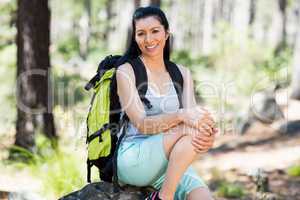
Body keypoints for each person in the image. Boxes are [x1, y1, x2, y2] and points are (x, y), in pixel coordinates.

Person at [116, 6, 217, 200]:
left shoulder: (182, 73)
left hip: (168, 162)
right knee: (191, 127)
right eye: (141, 33)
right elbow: (143, 124)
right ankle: (164, 197)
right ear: (135, 38)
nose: (149, 39)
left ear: (166, 33)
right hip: (133, 157)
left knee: (204, 197)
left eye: (155, 31)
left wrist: (208, 135)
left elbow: (193, 120)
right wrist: (181, 116)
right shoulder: (126, 72)